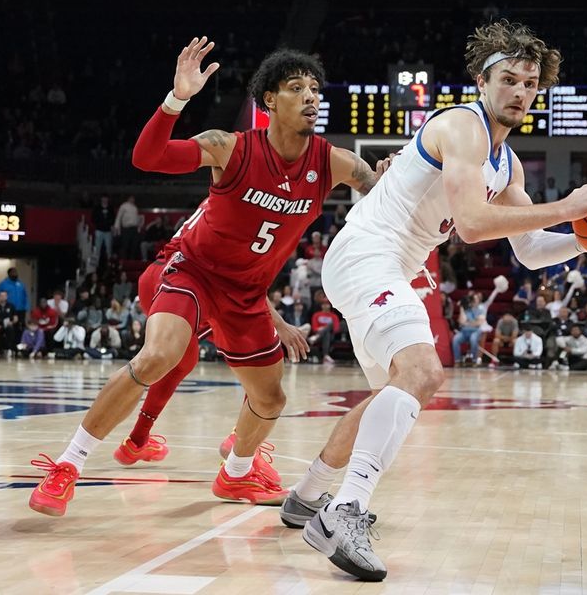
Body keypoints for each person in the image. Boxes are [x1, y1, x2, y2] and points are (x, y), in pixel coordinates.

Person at [289, 21, 587, 581]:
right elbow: (473, 226)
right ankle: (343, 512)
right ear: (483, 80)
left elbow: (527, 250)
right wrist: (571, 207)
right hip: (367, 254)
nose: (519, 92)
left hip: (389, 268)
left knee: (391, 394)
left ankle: (308, 496)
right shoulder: (462, 127)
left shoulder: (509, 163)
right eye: (508, 80)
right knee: (423, 372)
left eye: (529, 83)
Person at [28, 40, 392, 516]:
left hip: (247, 295)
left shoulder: (333, 161)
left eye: (315, 89)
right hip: (193, 273)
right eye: (296, 87)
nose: (310, 97)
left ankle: (236, 475)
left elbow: (383, 193)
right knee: (159, 355)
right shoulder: (229, 146)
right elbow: (147, 159)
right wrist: (175, 100)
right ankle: (66, 466)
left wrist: (389, 178)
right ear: (269, 101)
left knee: (271, 396)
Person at [451, 292, 487, 365]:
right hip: (464, 331)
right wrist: (462, 307)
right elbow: (461, 321)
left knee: (473, 339)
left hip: (475, 331)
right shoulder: (466, 308)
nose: (474, 300)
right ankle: (457, 360)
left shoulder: (481, 309)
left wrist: (468, 323)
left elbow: (479, 323)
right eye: (473, 299)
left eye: (476, 299)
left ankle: (474, 360)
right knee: (455, 339)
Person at [308, 300, 341, 364]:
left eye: (327, 304)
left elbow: (336, 329)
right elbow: (314, 328)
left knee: (330, 326)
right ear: (321, 306)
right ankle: (326, 355)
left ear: (330, 306)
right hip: (319, 334)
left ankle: (316, 337)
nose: (325, 306)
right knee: (326, 334)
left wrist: (325, 328)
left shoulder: (334, 316)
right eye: (324, 304)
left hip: (330, 336)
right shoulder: (316, 315)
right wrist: (323, 330)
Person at [113, 195, 141, 259]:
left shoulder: (135, 207)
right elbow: (119, 217)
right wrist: (116, 227)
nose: (132, 200)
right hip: (126, 229)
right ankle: (123, 261)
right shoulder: (123, 206)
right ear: (128, 199)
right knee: (125, 245)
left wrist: (138, 228)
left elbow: (136, 218)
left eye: (133, 199)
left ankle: (131, 262)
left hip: (134, 229)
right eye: (131, 198)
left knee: (134, 245)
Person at [92, 195, 115, 265]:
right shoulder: (97, 208)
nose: (105, 200)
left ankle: (109, 265)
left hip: (108, 231)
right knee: (97, 249)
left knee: (109, 250)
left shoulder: (110, 208)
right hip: (99, 231)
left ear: (108, 199)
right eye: (103, 198)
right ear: (101, 199)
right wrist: (99, 224)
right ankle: (96, 265)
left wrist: (110, 225)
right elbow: (93, 218)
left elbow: (113, 218)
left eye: (106, 198)